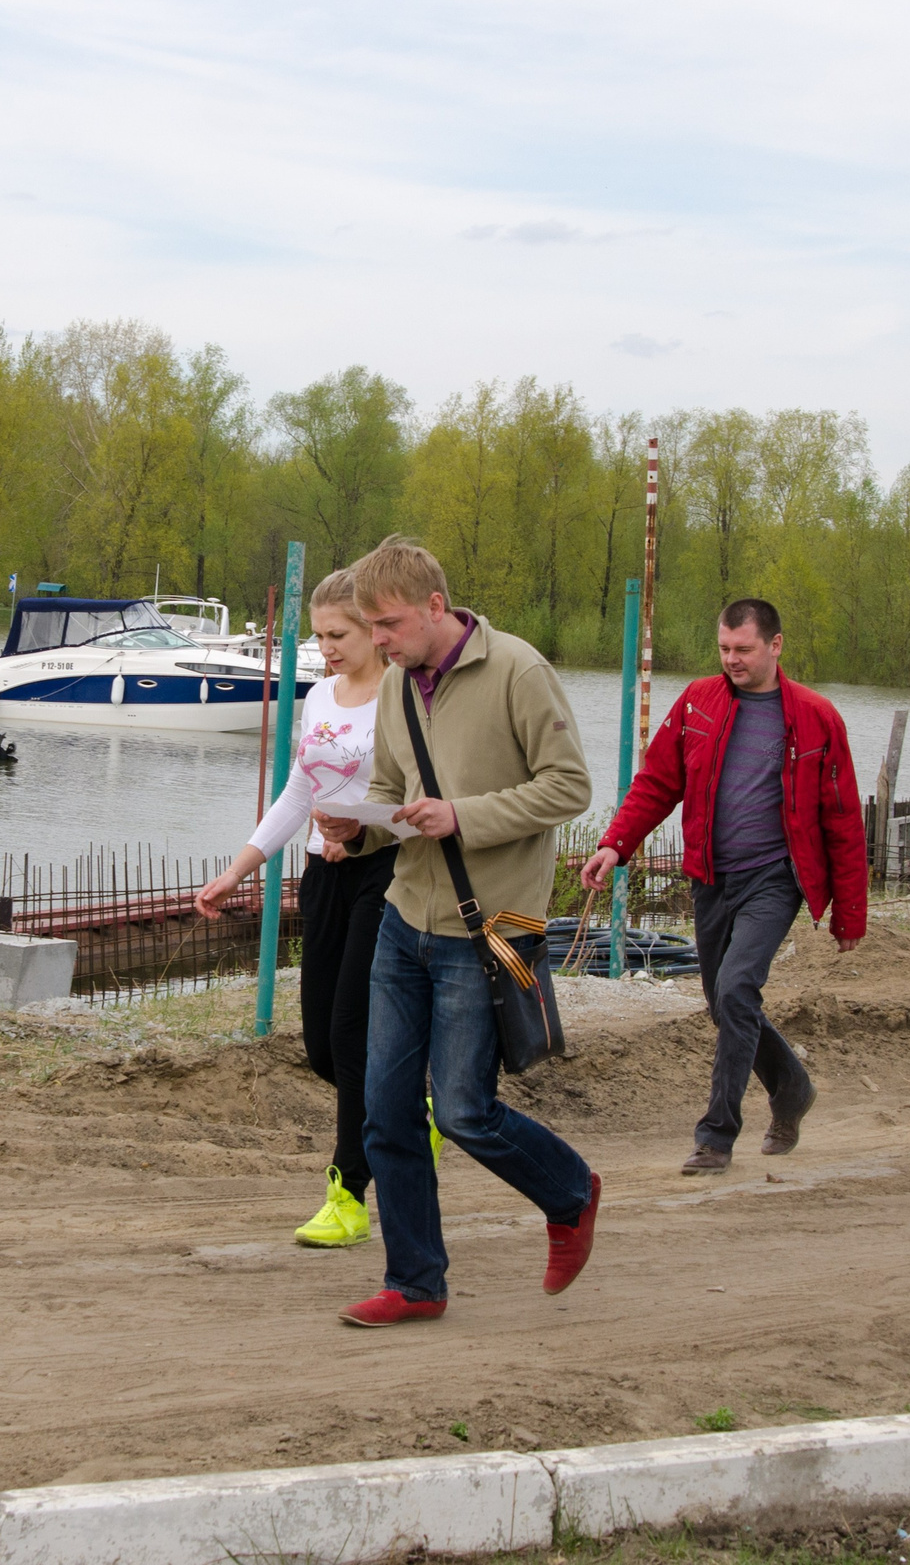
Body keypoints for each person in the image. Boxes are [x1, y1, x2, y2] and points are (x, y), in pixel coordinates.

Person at [314, 536, 599, 1328]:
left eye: (391, 624)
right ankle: (415, 1281)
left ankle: (571, 1193)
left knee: (468, 1110)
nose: (379, 642)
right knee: (385, 1110)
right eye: (371, 627)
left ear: (437, 608)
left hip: (497, 924)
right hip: (406, 918)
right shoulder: (401, 686)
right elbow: (391, 790)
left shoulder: (520, 671)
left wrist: (461, 817)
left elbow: (570, 786)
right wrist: (358, 828)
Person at [577, 598, 867, 1176]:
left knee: (736, 990)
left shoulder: (816, 716)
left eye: (744, 649)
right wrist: (616, 843)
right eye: (725, 649)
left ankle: (716, 1135)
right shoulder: (697, 703)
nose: (732, 659)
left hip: (775, 879)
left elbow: (841, 816)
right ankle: (792, 1086)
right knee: (722, 1001)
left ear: (775, 645)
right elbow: (659, 780)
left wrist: (849, 913)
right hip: (711, 876)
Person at [195, 567, 409, 1249]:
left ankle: (348, 1195)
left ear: (374, 630)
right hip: (322, 874)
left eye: (338, 634)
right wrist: (237, 869)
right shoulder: (319, 697)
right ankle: (411, 1108)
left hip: (384, 872)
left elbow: (425, 798)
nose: (327, 649)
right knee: (320, 1045)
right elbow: (297, 792)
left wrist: (367, 831)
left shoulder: (404, 697)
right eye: (318, 636)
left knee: (350, 1032)